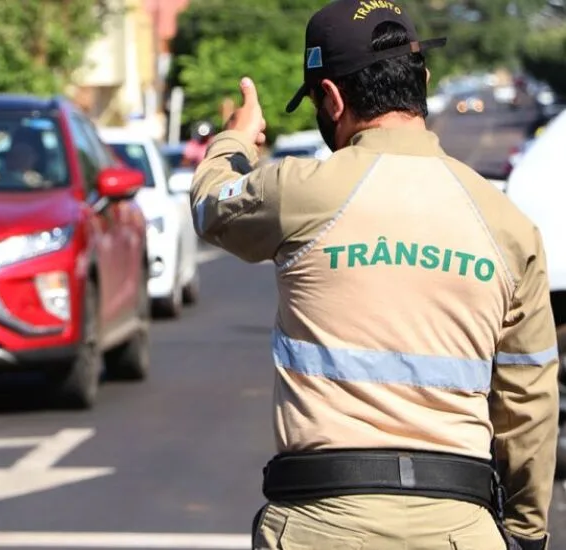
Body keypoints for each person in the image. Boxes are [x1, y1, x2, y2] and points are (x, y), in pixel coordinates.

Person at [189, 1, 559, 549]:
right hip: (460, 528)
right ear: (423, 81)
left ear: (332, 99)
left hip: (321, 527)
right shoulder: (508, 226)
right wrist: (525, 533)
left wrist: (236, 140)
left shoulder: (301, 190)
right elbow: (528, 400)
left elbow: (210, 204)